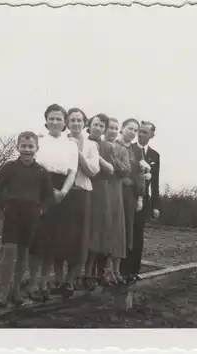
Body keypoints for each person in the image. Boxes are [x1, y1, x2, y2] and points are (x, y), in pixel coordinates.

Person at [0, 131, 54, 307]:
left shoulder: (41, 172)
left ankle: (16, 290)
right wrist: (5, 206)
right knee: (9, 251)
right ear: (18, 147)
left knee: (23, 253)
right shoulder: (9, 167)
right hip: (13, 214)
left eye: (30, 146)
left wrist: (41, 210)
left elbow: (49, 196)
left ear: (36, 148)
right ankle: (4, 290)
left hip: (31, 215)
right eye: (24, 146)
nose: (27, 150)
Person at [25, 104, 79, 302]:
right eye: (51, 118)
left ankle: (44, 283)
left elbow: (72, 171)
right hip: (40, 189)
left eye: (59, 119)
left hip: (61, 192)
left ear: (65, 122)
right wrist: (45, 191)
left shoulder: (71, 145)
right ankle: (32, 283)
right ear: (46, 120)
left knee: (53, 240)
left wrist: (64, 191)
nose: (55, 122)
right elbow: (33, 166)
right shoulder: (39, 141)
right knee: (38, 239)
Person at [57, 107, 100, 297]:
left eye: (79, 120)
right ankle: (57, 280)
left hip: (82, 194)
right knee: (59, 236)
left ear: (85, 123)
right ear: (67, 122)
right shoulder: (60, 141)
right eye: (72, 120)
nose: (75, 123)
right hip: (63, 194)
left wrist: (78, 151)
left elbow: (93, 171)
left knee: (79, 240)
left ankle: (69, 281)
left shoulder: (91, 145)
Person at [124, 120, 161, 280]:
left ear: (152, 135)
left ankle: (134, 270)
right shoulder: (129, 148)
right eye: (139, 131)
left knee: (138, 234)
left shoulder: (154, 155)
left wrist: (155, 206)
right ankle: (121, 269)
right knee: (126, 231)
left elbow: (156, 182)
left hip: (143, 199)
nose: (140, 134)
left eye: (145, 132)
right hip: (127, 195)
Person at [97, 117, 132, 284]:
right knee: (102, 229)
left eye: (115, 128)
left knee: (117, 230)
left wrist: (113, 158)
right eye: (110, 127)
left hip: (116, 192)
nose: (112, 131)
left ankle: (115, 270)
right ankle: (101, 272)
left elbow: (126, 171)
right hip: (100, 190)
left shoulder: (122, 150)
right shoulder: (97, 145)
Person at [83, 113, 115, 290]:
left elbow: (110, 170)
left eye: (101, 126)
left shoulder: (107, 146)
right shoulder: (81, 141)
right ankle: (78, 275)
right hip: (85, 186)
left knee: (98, 232)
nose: (98, 128)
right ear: (90, 124)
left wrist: (97, 156)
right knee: (83, 231)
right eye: (95, 124)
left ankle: (95, 273)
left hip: (101, 190)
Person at [117, 118, 146, 283]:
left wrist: (140, 197)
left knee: (128, 230)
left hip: (130, 194)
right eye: (130, 128)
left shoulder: (137, 150)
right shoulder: (113, 145)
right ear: (122, 128)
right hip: (114, 190)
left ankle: (124, 270)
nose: (132, 133)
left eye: (135, 130)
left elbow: (140, 175)